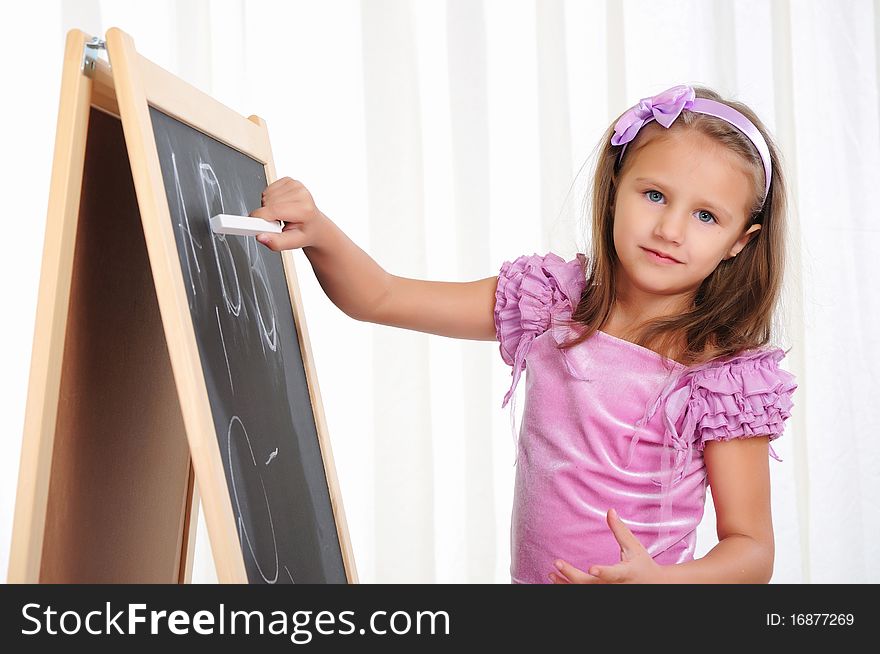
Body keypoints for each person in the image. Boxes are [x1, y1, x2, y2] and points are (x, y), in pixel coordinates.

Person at [250, 83, 797, 584]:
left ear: (739, 242)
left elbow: (751, 550)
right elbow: (380, 296)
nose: (670, 229)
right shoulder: (549, 304)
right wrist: (318, 231)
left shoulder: (722, 377)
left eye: (706, 217)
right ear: (614, 191)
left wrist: (661, 583)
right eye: (654, 195)